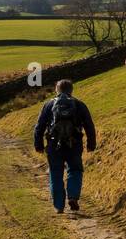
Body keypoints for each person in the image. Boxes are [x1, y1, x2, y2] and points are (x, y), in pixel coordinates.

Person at [32, 79, 97, 214]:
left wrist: (38, 145)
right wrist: (91, 144)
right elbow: (89, 126)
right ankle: (73, 197)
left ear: (57, 89)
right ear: (71, 90)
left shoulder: (48, 105)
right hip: (74, 144)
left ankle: (59, 206)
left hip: (54, 145)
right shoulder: (79, 105)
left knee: (55, 173)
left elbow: (39, 127)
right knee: (75, 170)